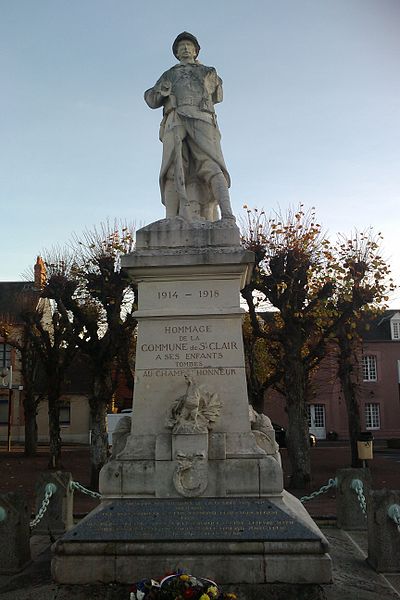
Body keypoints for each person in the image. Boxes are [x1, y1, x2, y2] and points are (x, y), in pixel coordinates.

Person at [144, 32, 235, 222]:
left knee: (211, 164)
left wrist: (213, 79)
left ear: (196, 50)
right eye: (181, 47)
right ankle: (171, 218)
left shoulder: (207, 71)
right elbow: (151, 99)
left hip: (202, 118)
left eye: (189, 46)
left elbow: (218, 96)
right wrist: (162, 91)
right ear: (176, 53)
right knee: (172, 168)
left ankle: (227, 215)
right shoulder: (168, 74)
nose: (185, 49)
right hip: (174, 119)